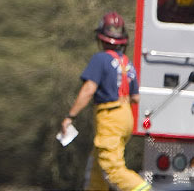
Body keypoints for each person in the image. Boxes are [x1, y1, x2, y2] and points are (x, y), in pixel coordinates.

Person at [61, 12, 149, 191]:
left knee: (113, 169)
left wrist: (70, 116)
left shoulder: (100, 59)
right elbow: (135, 97)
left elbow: (88, 90)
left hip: (110, 117)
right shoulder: (126, 62)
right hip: (125, 116)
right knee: (97, 169)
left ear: (101, 38)